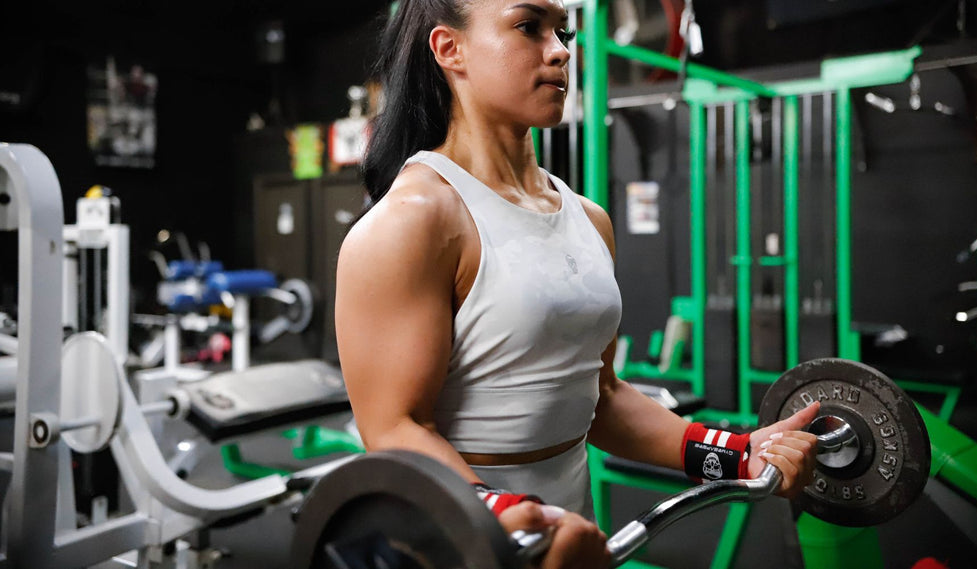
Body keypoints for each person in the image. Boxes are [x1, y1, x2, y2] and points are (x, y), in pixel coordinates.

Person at [335, 0, 820, 566]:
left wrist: (737, 453)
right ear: (450, 49)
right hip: (467, 544)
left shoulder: (588, 218)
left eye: (561, 30)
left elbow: (604, 398)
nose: (561, 49)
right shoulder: (415, 219)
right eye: (528, 26)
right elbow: (394, 429)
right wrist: (507, 521)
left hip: (571, 534)